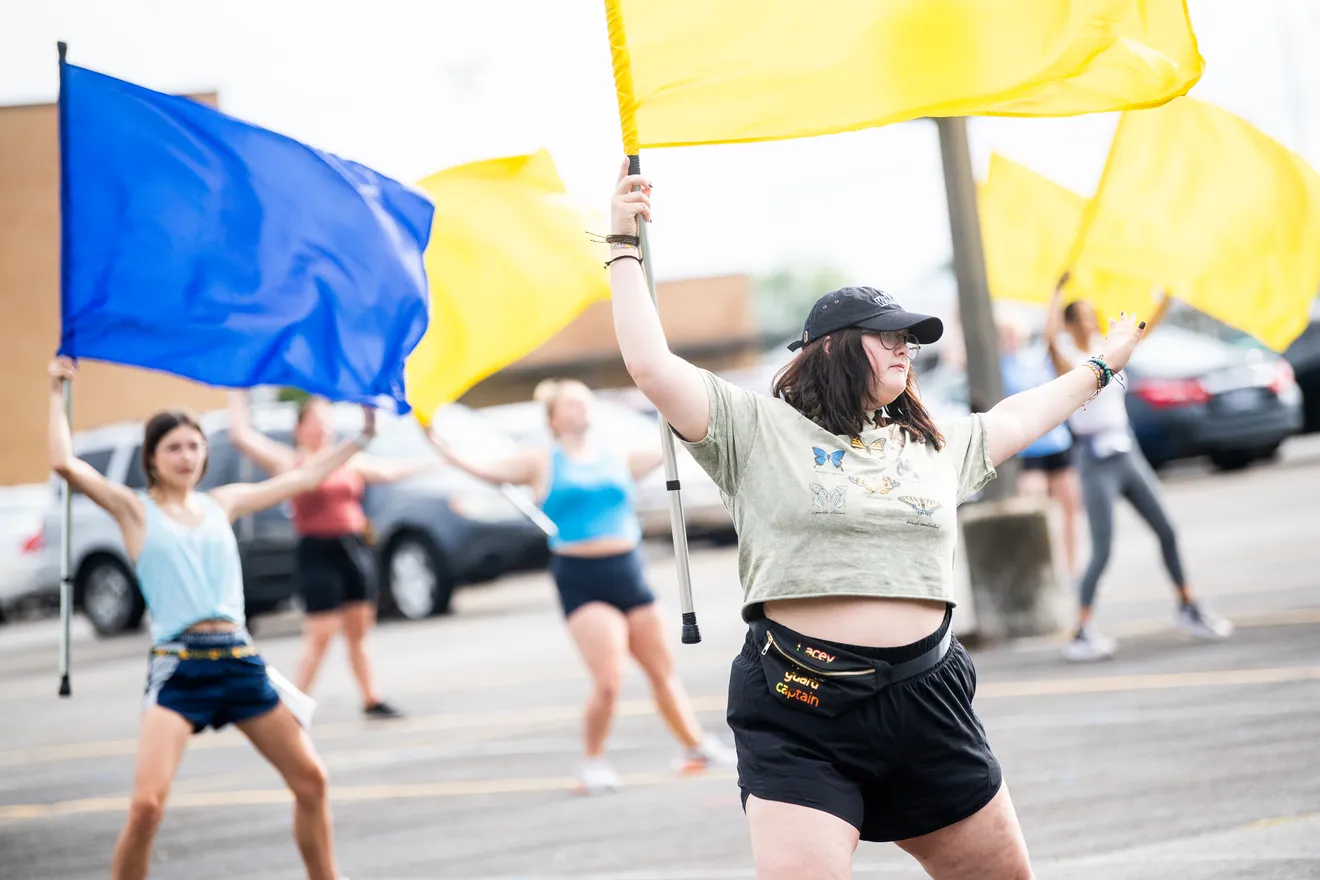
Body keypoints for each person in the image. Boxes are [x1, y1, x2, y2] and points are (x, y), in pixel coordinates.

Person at [603, 159, 1161, 879]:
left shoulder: (932, 444)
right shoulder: (756, 429)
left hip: (927, 699)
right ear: (833, 349)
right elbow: (651, 366)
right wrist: (622, 243)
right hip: (800, 703)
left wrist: (1102, 365)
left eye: (909, 338)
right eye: (886, 334)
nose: (905, 347)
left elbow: (1021, 416)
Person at [47, 357, 366, 880]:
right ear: (152, 458)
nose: (186, 456)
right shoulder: (135, 511)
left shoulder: (224, 503)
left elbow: (306, 475)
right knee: (146, 807)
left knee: (312, 781)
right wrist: (55, 391)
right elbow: (64, 463)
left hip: (241, 662)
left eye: (194, 445)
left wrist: (363, 436)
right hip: (180, 668)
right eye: (173, 447)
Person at [425, 377, 736, 793]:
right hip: (582, 577)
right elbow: (479, 467)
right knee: (608, 681)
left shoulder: (616, 454)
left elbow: (678, 440)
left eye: (585, 401)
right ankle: (593, 762)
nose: (581, 408)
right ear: (553, 418)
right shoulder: (540, 461)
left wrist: (684, 402)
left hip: (629, 571)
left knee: (662, 671)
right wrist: (435, 438)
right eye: (571, 403)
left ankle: (695, 746)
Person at [1044, 277, 1232, 662]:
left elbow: (1143, 332)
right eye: (1081, 317)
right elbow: (1050, 341)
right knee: (1102, 549)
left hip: (1126, 451)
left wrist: (1165, 298)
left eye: (1091, 315)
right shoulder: (1071, 361)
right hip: (1095, 459)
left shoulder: (1105, 350)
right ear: (1069, 324)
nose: (1090, 321)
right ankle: (1082, 630)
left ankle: (1188, 605)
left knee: (1167, 530)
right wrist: (1055, 295)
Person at [227, 391, 443, 718]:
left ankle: (371, 698)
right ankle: (292, 706)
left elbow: (387, 471)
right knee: (321, 634)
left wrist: (439, 460)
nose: (323, 428)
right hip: (318, 551)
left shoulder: (347, 458)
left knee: (359, 630)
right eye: (315, 422)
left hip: (353, 547)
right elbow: (242, 436)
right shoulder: (291, 462)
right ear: (300, 429)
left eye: (326, 422)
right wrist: (238, 392)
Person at [997, 317, 1083, 577]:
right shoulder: (1000, 365)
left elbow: (1052, 337)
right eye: (1006, 335)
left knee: (1071, 506)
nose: (1011, 340)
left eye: (1013, 334)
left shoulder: (1036, 359)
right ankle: (1045, 571)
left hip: (1057, 443)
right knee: (1036, 509)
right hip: (1029, 448)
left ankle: (1073, 570)